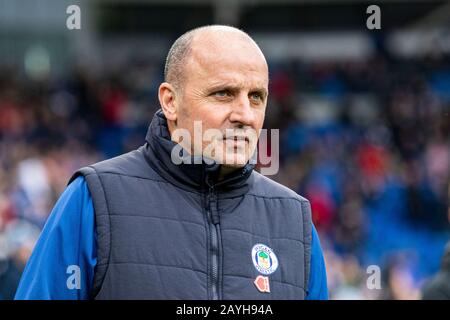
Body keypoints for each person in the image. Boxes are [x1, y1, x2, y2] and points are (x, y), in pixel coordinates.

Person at [15, 25, 328, 300]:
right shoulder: (93, 201)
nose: (245, 115)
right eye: (223, 93)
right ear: (170, 101)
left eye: (256, 97)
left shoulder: (294, 222)